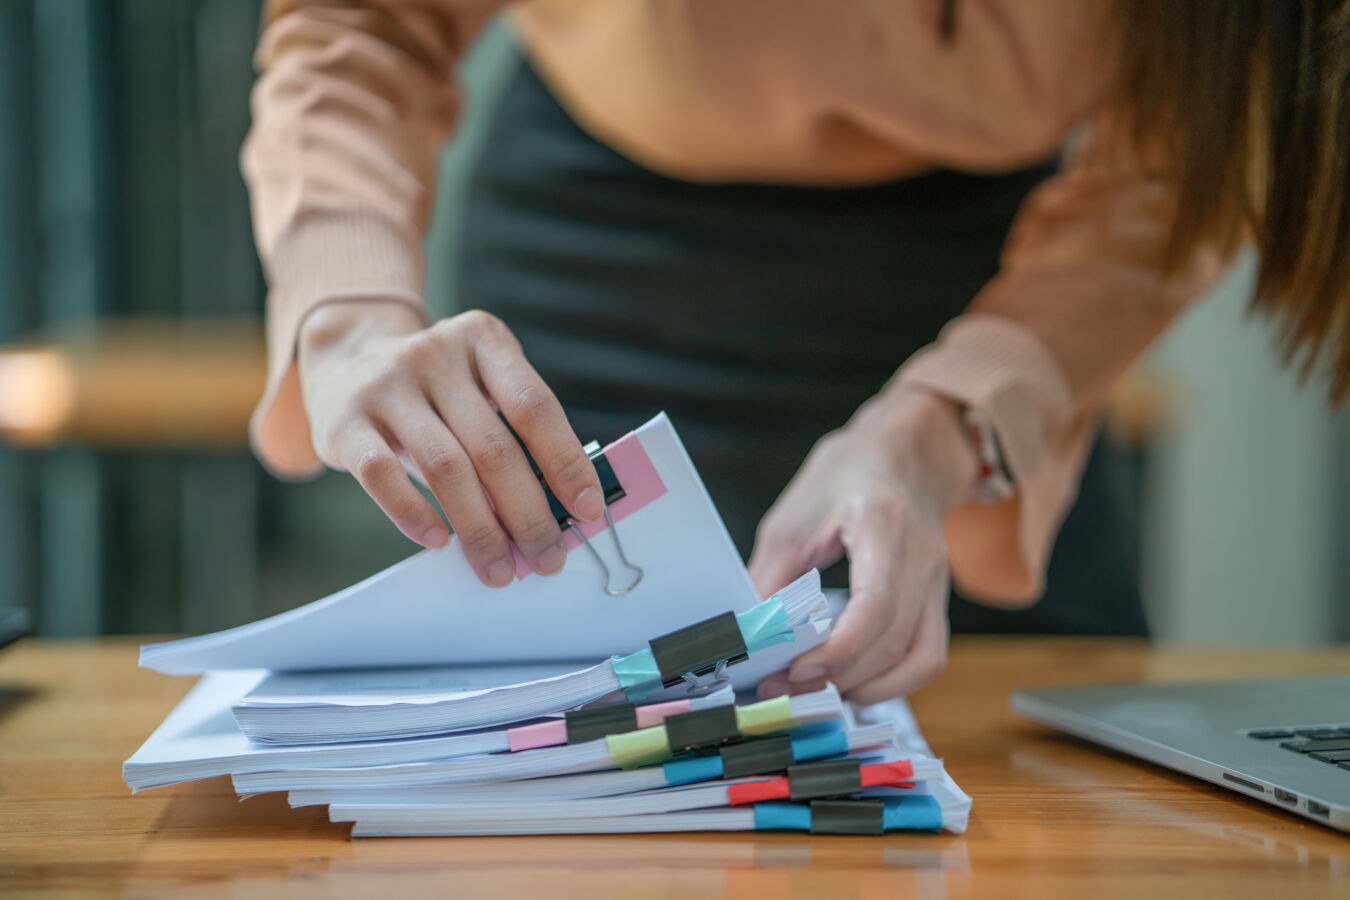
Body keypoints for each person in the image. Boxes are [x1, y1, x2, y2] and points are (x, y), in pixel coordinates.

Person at [241, 1, 1350, 704]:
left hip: (1008, 280)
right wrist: (347, 306)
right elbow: (368, 20)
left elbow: (1197, 143)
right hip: (601, 247)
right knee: (553, 764)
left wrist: (948, 427)